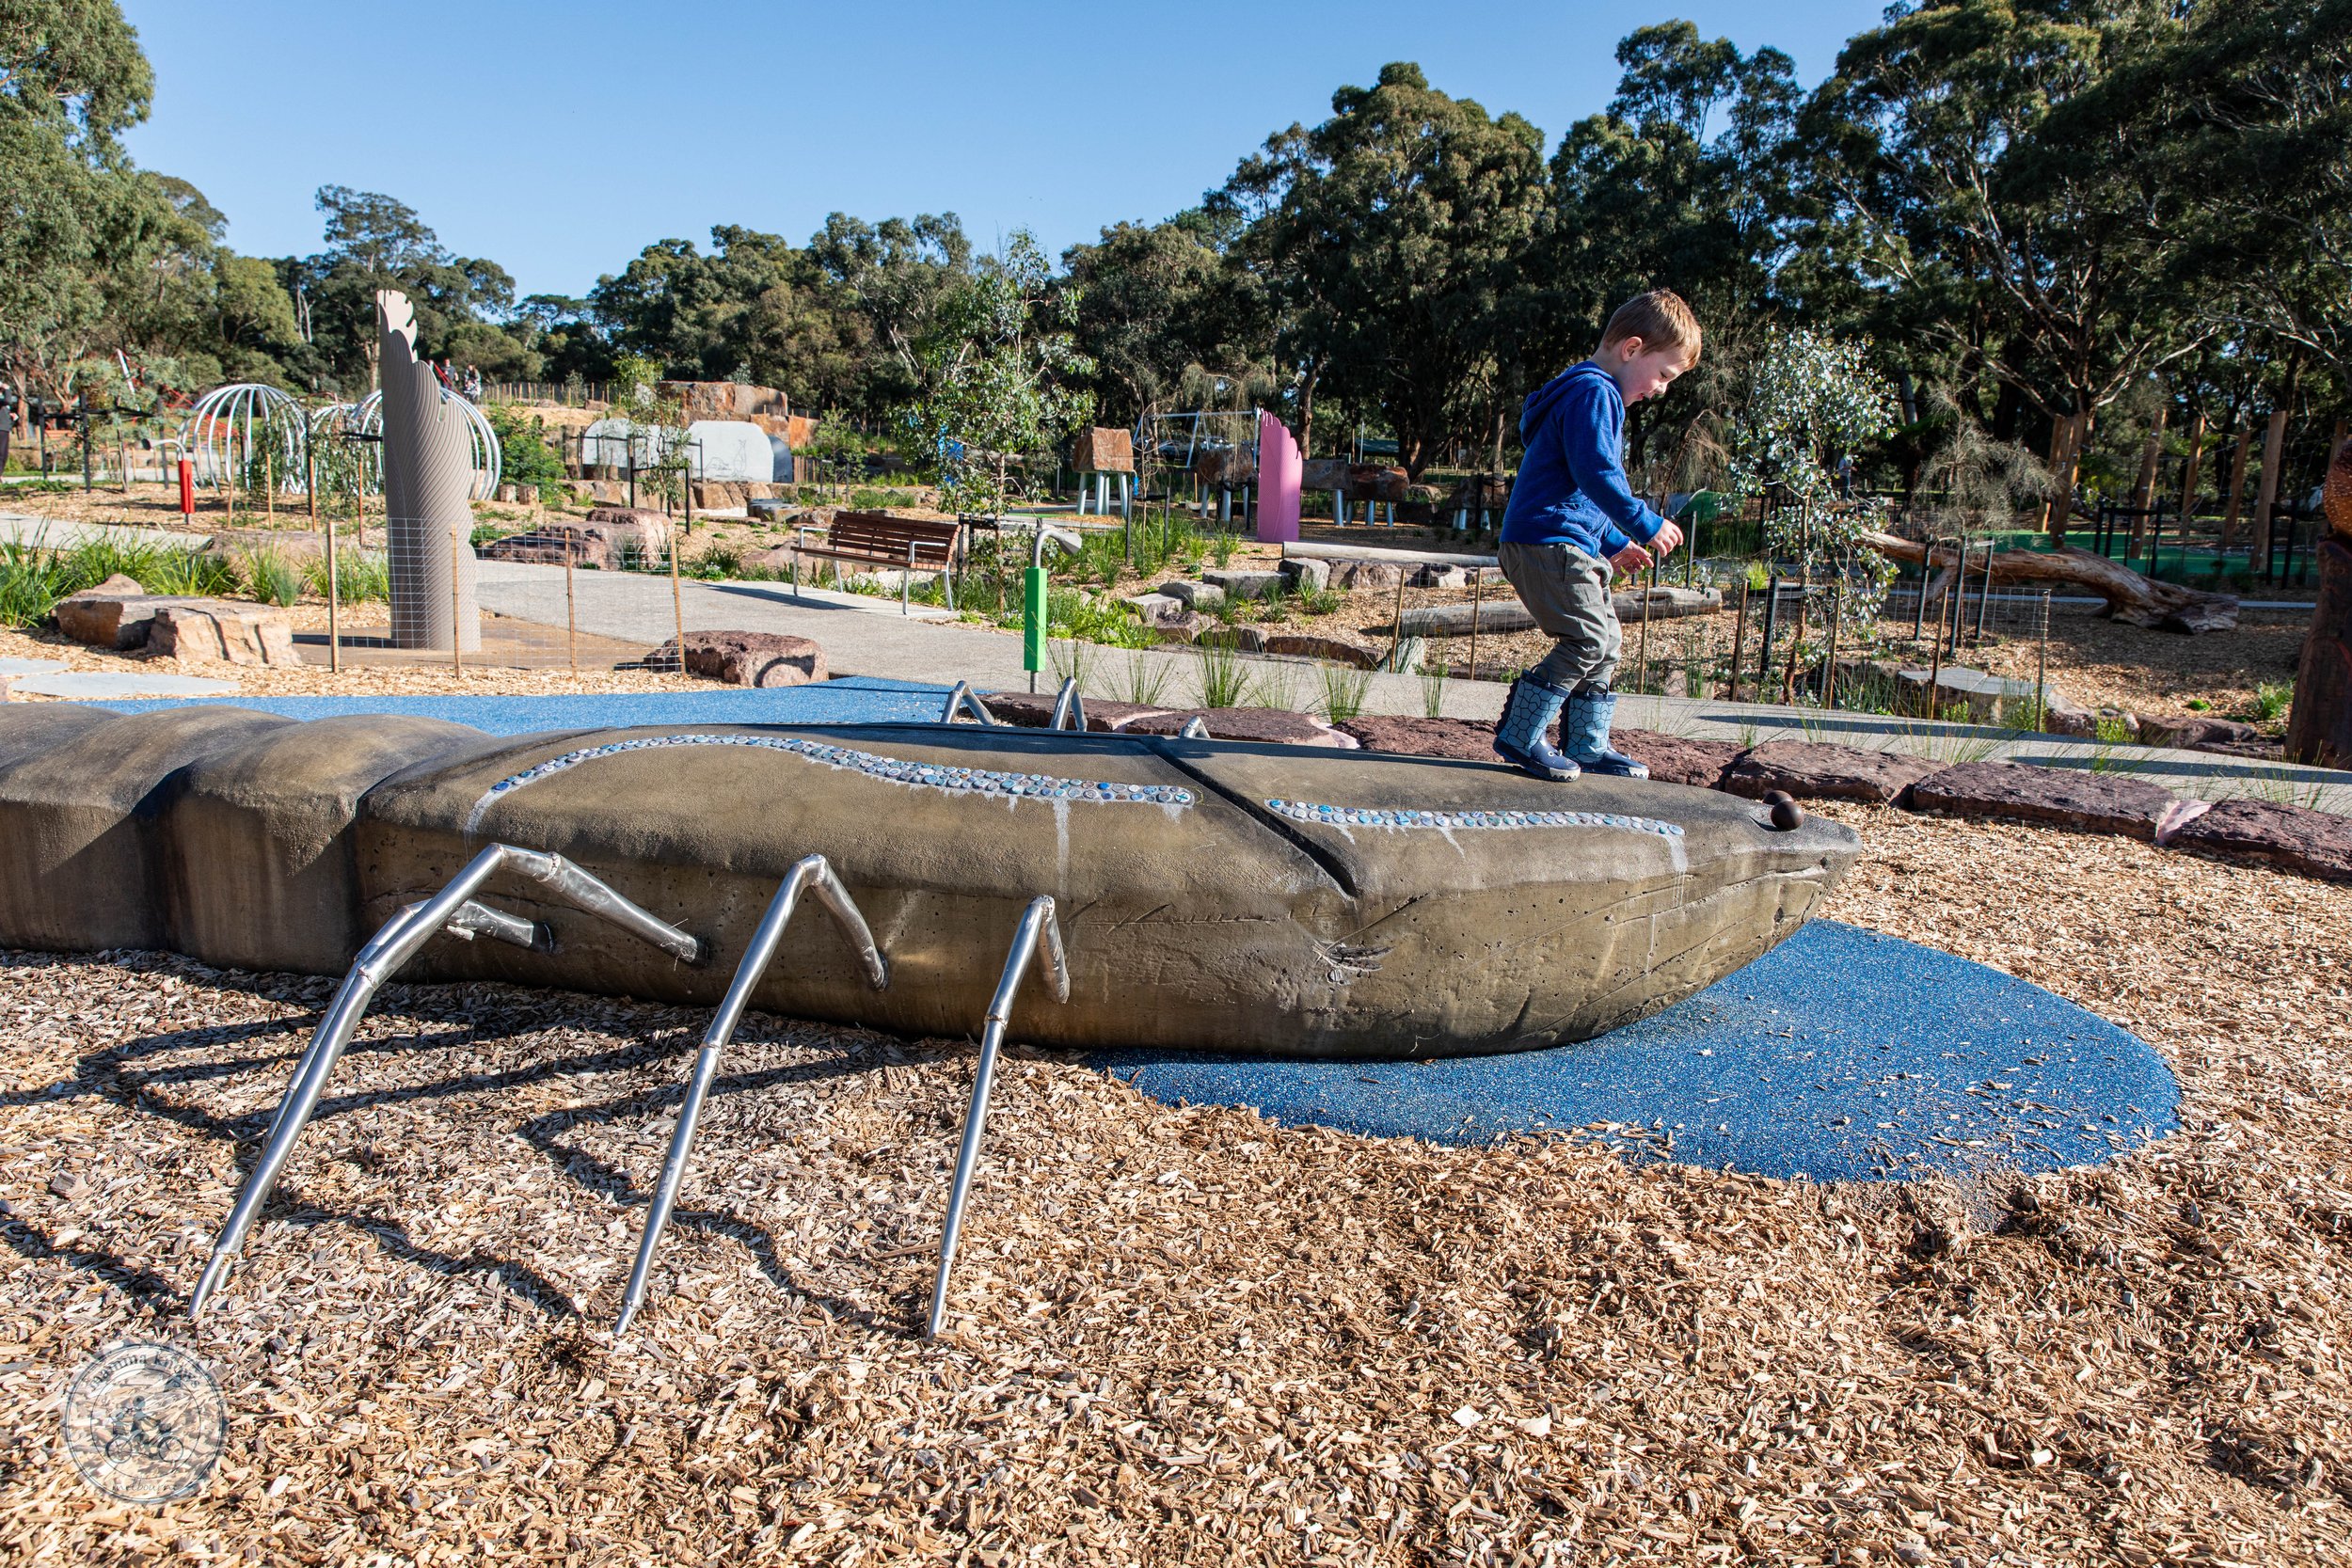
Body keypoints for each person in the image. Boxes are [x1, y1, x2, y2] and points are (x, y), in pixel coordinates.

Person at [1490, 288, 1698, 781]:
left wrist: (1614, 543)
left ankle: (1586, 744)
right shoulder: (1595, 392)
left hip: (1566, 541)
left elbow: (1576, 489)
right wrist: (1645, 523)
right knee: (1586, 638)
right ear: (1631, 349)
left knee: (1606, 644)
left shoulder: (1590, 394)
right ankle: (1521, 733)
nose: (1662, 389)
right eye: (1664, 374)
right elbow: (1597, 475)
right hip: (1547, 543)